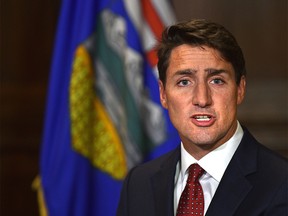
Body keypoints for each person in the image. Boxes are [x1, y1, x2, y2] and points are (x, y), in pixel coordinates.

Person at [116, 19, 288, 216]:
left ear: (240, 89)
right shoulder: (139, 184)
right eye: (184, 82)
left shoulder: (282, 183)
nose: (202, 99)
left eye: (216, 80)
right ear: (163, 94)